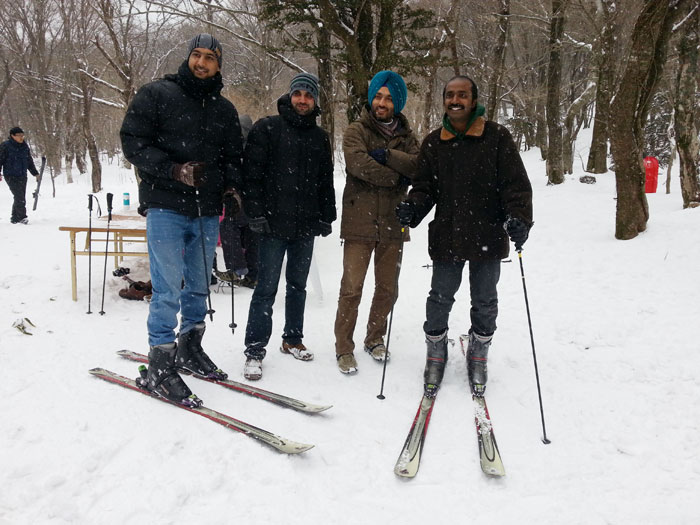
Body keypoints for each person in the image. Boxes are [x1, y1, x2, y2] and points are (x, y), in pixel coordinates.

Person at [120, 33, 244, 406]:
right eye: (197, 55)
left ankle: (190, 347)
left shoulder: (224, 110)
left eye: (210, 57)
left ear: (219, 65)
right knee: (167, 288)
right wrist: (173, 170)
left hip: (206, 212)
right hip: (166, 207)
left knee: (197, 288)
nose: (202, 63)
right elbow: (133, 141)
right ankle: (160, 360)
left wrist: (232, 189)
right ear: (188, 58)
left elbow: (232, 157)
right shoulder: (157, 94)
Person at [396, 75, 533, 397]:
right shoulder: (434, 142)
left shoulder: (497, 137)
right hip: (448, 234)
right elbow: (424, 188)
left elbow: (515, 184)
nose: (455, 100)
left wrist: (519, 218)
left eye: (462, 95)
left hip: (487, 233)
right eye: (450, 95)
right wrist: (412, 209)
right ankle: (435, 350)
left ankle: (479, 351)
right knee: (439, 298)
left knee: (485, 300)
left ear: (473, 100)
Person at [241, 72, 336, 381]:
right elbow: (251, 175)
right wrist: (253, 212)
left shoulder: (319, 137)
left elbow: (325, 180)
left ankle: (292, 338)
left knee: (298, 285)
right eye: (299, 94)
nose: (303, 99)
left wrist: (326, 215)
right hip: (271, 225)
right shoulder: (268, 128)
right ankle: (254, 350)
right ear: (290, 96)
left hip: (304, 226)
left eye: (309, 95)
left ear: (315, 100)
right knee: (266, 288)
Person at [334, 71, 419, 375]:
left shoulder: (408, 137)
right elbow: (358, 165)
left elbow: (418, 167)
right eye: (378, 96)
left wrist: (388, 155)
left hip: (394, 223)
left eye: (388, 98)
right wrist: (397, 176)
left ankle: (374, 338)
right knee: (351, 288)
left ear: (397, 102)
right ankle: (344, 346)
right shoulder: (357, 130)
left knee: (387, 288)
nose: (382, 102)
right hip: (359, 222)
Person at [216, 114, 259, 289]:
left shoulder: (236, 148)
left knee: (228, 225)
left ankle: (236, 269)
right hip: (256, 199)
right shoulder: (256, 147)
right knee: (251, 232)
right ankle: (252, 275)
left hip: (240, 196)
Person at [0, 127, 40, 224]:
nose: (21, 137)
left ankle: (15, 218)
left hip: (22, 175)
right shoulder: (5, 146)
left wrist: (35, 173)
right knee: (19, 196)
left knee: (19, 196)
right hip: (10, 175)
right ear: (12, 136)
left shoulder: (24, 146)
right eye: (19, 135)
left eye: (22, 135)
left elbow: (29, 160)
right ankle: (22, 217)